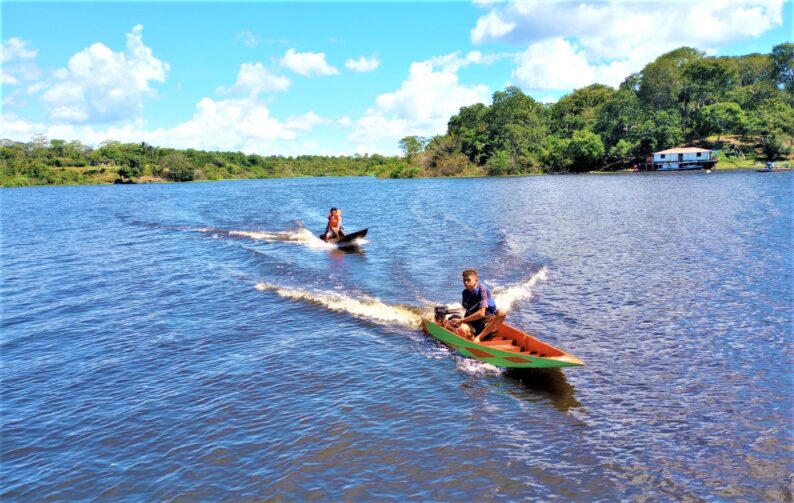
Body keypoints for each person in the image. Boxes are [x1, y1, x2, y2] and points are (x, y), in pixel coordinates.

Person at [445, 268, 507, 343]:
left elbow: (481, 313)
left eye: (468, 280)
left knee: (502, 311)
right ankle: (472, 341)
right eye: (464, 280)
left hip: (487, 324)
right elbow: (467, 311)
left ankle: (479, 337)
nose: (466, 282)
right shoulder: (465, 293)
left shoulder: (482, 290)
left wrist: (462, 320)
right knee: (461, 329)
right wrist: (460, 321)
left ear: (476, 280)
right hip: (473, 323)